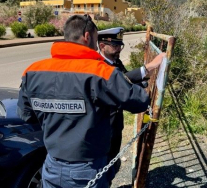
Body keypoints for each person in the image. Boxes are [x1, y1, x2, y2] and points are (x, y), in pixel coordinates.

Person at [17, 15, 150, 188]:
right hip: (88, 168)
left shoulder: (32, 72)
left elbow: (26, 115)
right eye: (96, 39)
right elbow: (140, 101)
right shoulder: (100, 72)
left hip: (51, 164)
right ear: (87, 36)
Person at [97, 27, 166, 184]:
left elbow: (124, 78)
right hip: (104, 128)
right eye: (115, 45)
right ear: (102, 46)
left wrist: (140, 83)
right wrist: (150, 66)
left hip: (115, 126)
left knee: (112, 163)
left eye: (120, 45)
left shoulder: (115, 60)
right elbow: (120, 81)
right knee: (103, 168)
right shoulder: (99, 65)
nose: (118, 50)